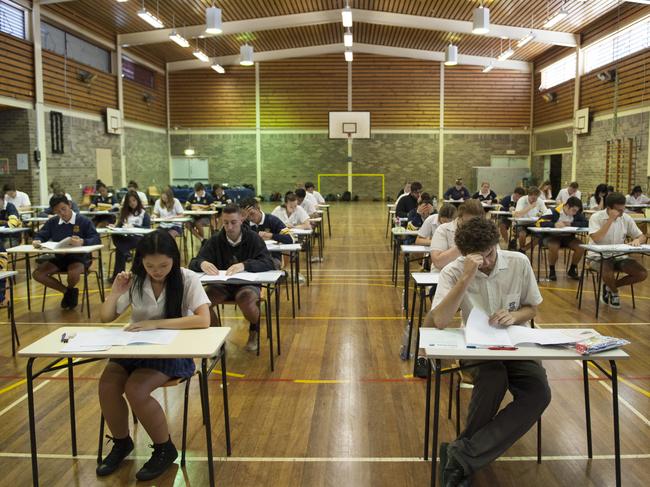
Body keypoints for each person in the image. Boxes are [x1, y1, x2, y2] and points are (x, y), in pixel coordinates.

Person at [425, 216, 550, 487]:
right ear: (465, 254)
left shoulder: (518, 262)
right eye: (479, 257)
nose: (488, 261)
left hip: (515, 342)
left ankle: (461, 454)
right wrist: (467, 275)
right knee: (493, 378)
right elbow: (441, 321)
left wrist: (515, 316)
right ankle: (466, 457)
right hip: (475, 345)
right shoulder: (453, 271)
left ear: (497, 243)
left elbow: (532, 308)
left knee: (539, 392)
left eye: (491, 253)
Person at [96, 230, 211, 481]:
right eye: (150, 265)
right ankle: (121, 442)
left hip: (172, 351)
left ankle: (164, 449)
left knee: (136, 389)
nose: (157, 271)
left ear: (174, 259)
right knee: (107, 385)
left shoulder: (187, 278)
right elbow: (105, 317)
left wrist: (157, 324)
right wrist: (115, 292)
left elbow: (204, 319)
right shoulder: (136, 280)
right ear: (141, 262)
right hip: (136, 348)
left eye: (163, 265)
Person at [189, 205, 275, 351]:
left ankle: (254, 330)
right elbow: (193, 262)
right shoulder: (216, 239)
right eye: (226, 222)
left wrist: (245, 265)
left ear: (241, 219)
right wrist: (202, 263)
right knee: (202, 304)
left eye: (233, 222)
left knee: (245, 299)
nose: (229, 227)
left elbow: (268, 262)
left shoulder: (253, 238)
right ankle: (218, 338)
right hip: (222, 285)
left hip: (247, 284)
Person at [32, 194, 100, 309]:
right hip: (60, 258)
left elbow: (96, 238)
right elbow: (41, 235)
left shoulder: (83, 221)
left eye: (63, 209)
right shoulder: (53, 222)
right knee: (38, 274)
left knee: (72, 273)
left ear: (69, 205)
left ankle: (69, 291)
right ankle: (67, 292)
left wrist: (82, 241)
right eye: (58, 212)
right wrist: (37, 240)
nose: (62, 213)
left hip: (80, 258)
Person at [588, 192, 647, 309]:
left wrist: (638, 240)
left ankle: (609, 287)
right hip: (598, 256)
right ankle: (614, 293)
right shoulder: (596, 217)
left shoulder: (626, 218)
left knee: (642, 274)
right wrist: (610, 220)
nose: (622, 212)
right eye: (619, 210)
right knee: (607, 271)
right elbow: (596, 238)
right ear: (609, 208)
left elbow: (642, 236)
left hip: (620, 256)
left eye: (623, 209)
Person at [537, 196, 587, 280]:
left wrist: (571, 224)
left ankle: (572, 269)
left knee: (581, 246)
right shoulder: (553, 211)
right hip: (551, 237)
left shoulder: (576, 213)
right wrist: (554, 225)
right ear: (567, 206)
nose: (575, 213)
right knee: (554, 246)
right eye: (573, 210)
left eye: (576, 211)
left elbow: (587, 223)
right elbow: (539, 223)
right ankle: (552, 270)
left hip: (567, 237)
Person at [430, 199, 484, 271]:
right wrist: (464, 244)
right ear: (459, 218)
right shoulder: (443, 229)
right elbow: (438, 262)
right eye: (468, 222)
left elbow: (494, 260)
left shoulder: (484, 231)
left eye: (476, 223)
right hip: (443, 276)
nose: (472, 226)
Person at [111, 190, 151, 281]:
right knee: (114, 235)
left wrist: (134, 226)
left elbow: (147, 228)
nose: (132, 203)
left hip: (138, 237)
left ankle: (117, 275)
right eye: (129, 202)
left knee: (119, 249)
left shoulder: (143, 213)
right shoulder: (125, 213)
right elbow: (120, 226)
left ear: (137, 200)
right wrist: (114, 226)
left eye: (134, 200)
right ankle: (126, 254)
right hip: (126, 237)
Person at [514, 186, 550, 251]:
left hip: (534, 224)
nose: (534, 200)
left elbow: (547, 213)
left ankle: (523, 249)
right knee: (522, 234)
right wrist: (530, 207)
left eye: (536, 198)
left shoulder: (540, 201)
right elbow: (517, 215)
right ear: (528, 195)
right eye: (532, 198)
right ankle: (522, 249)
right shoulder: (522, 200)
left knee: (539, 237)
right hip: (522, 224)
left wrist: (542, 216)